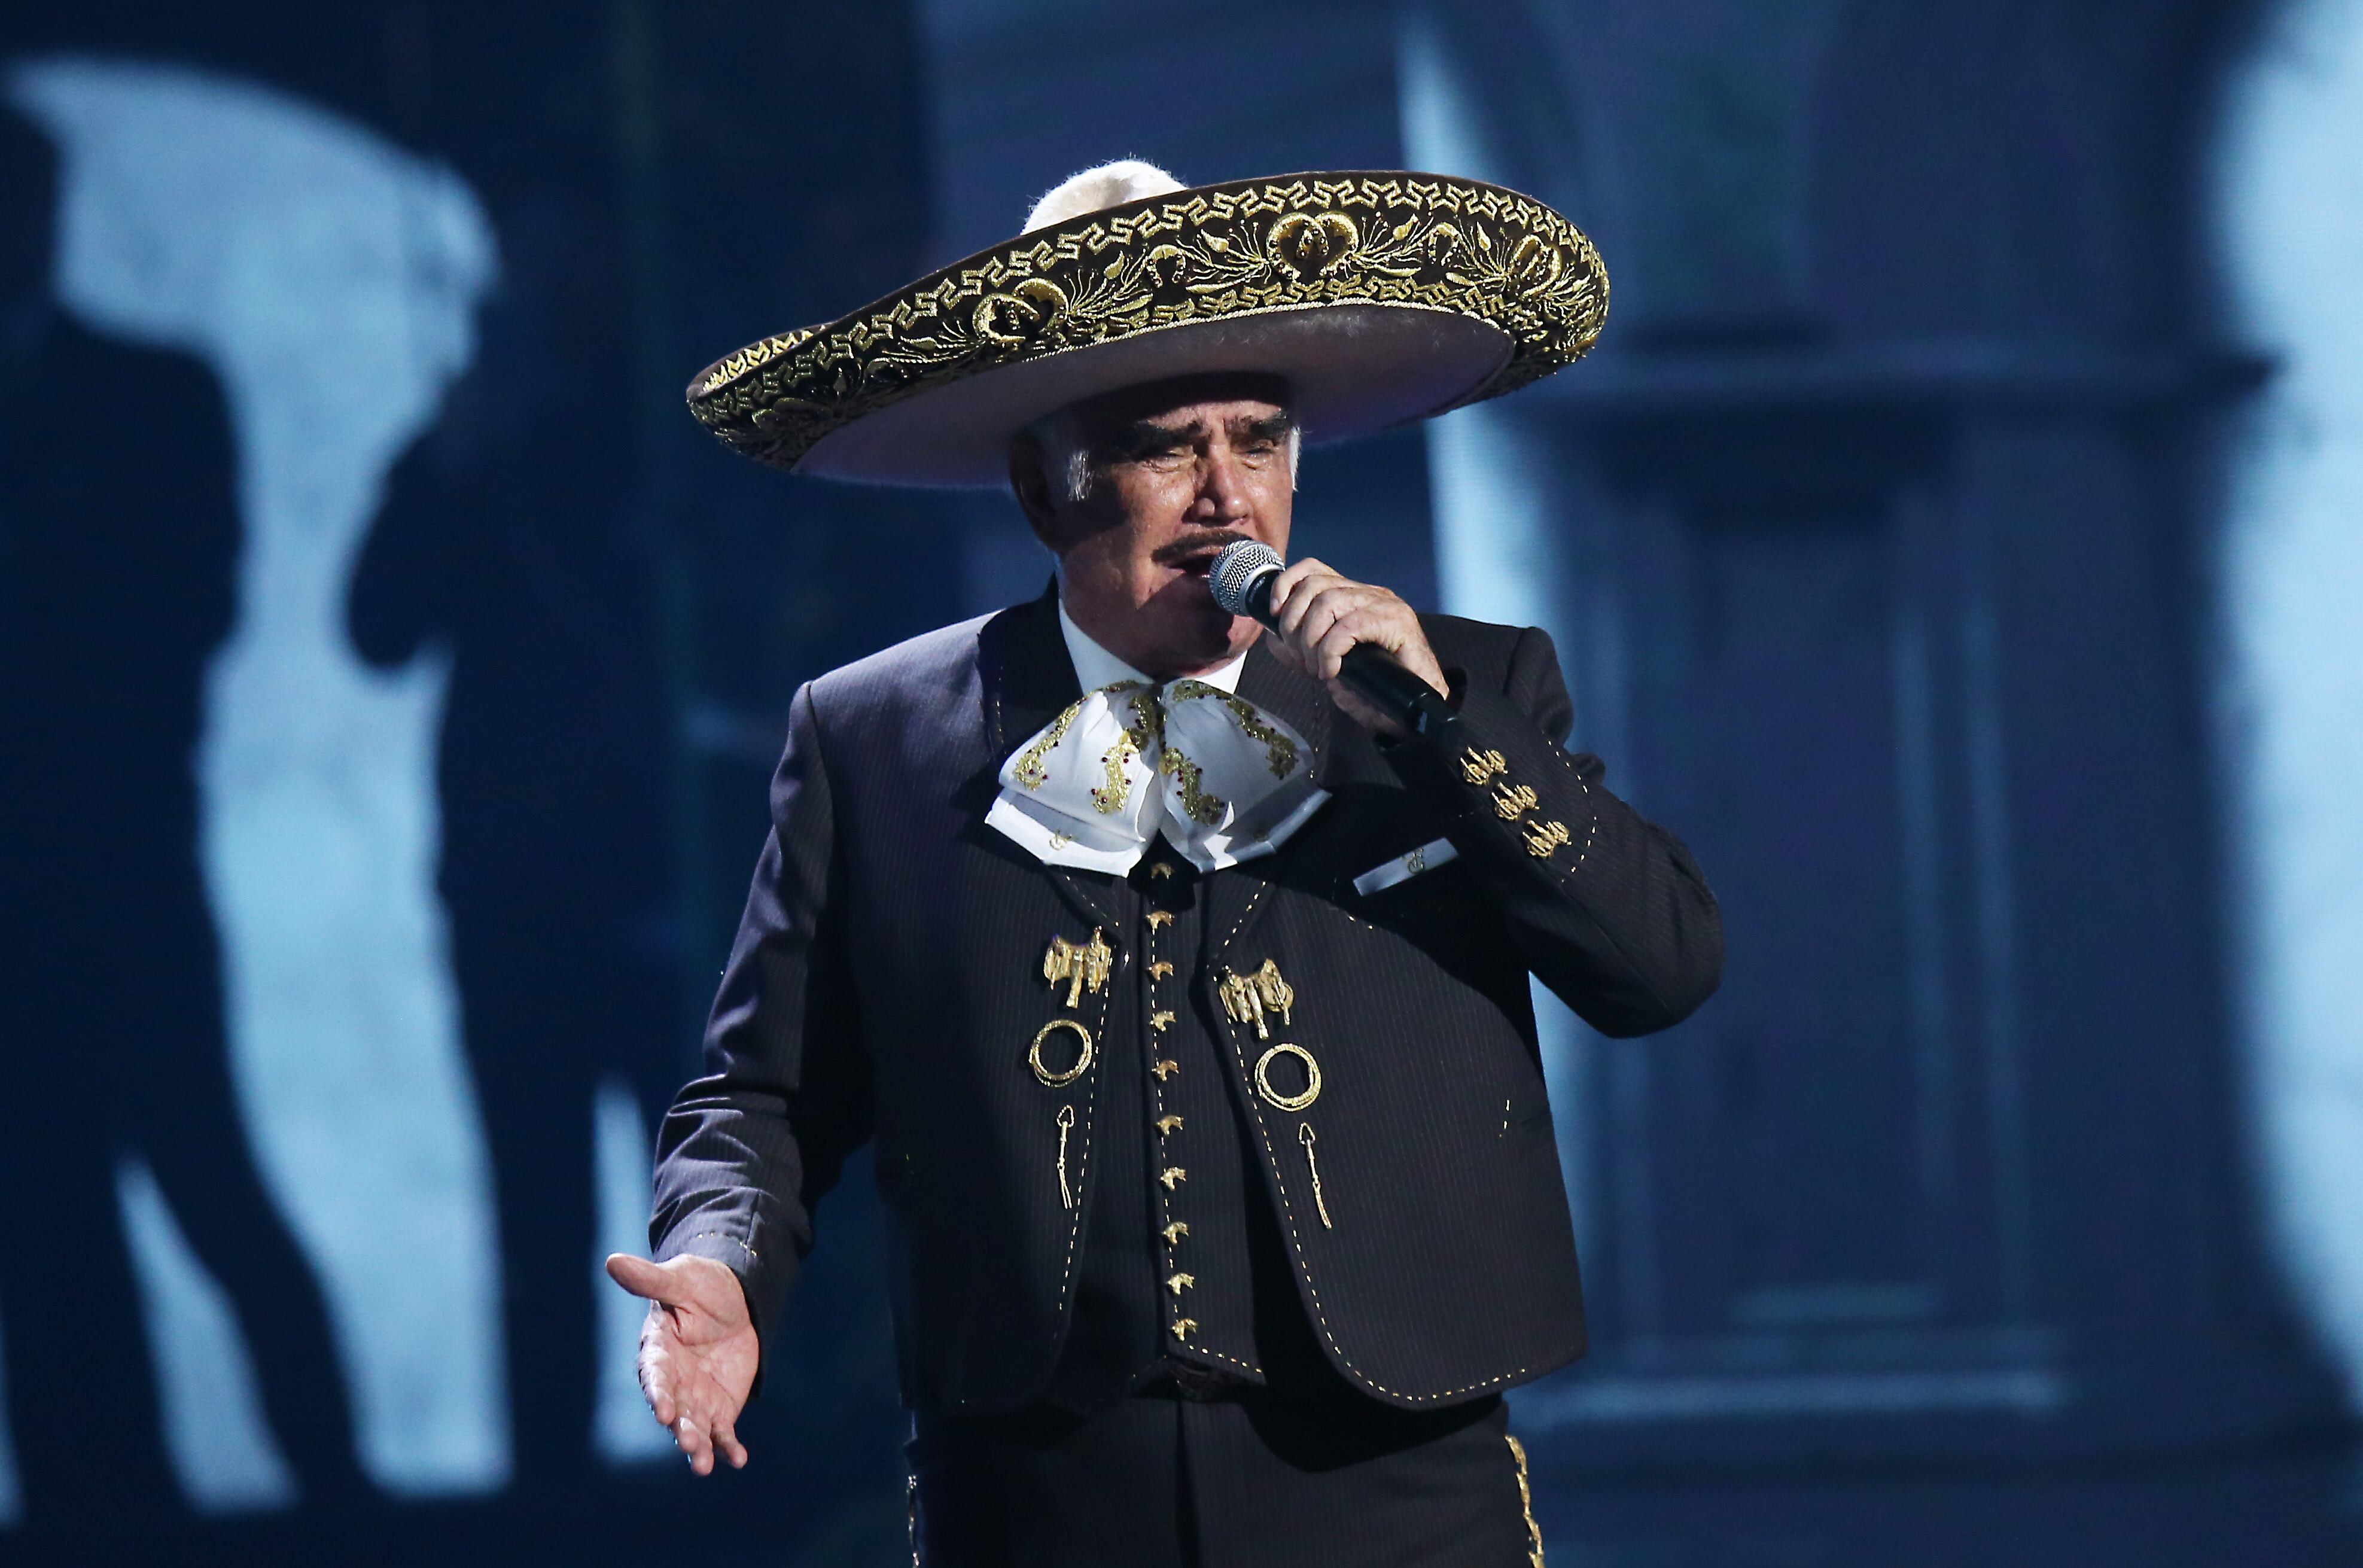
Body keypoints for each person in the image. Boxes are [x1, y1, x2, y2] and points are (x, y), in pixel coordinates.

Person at [607, 160, 1722, 1566]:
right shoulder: (874, 734)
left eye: (1257, 441)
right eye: (1160, 447)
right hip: (1041, 1491)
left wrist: (1448, 737)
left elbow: (1662, 968)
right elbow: (759, 1091)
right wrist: (718, 1257)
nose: (1223, 499)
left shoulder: (1463, 688)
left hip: (1392, 1478)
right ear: (1040, 481)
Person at [0, 105, 371, 1536]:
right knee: (51, 1215)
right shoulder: (144, 394)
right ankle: (110, 1514)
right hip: (73, 863)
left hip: (119, 864)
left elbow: (193, 615)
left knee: (197, 1175)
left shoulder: (154, 394)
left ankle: (338, 1509)